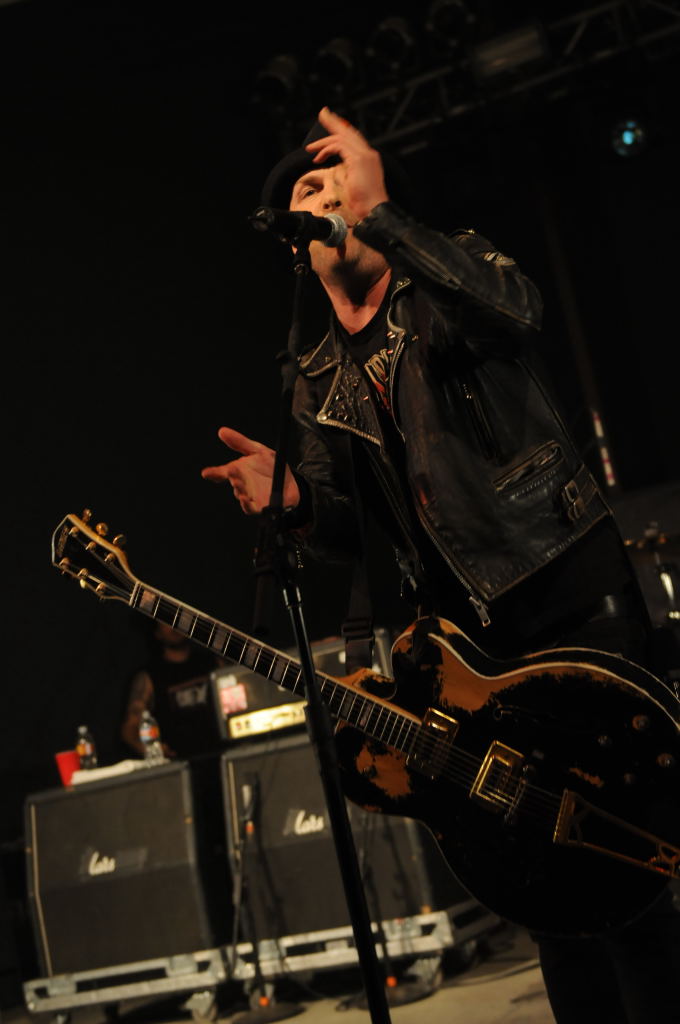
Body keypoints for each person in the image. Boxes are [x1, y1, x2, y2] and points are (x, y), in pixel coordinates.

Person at [201, 106, 680, 1023]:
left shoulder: (446, 270)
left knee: (630, 875)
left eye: (334, 178)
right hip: (470, 643)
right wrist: (297, 505)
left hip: (563, 590)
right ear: (294, 243)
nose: (324, 194)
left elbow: (518, 310)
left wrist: (387, 219)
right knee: (543, 890)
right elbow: (354, 529)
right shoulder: (314, 375)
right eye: (306, 190)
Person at [121, 620, 225, 760]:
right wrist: (153, 751)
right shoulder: (150, 676)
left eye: (178, 619)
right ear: (157, 633)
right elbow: (130, 728)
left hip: (222, 754)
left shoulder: (212, 662)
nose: (174, 626)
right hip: (179, 762)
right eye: (166, 621)